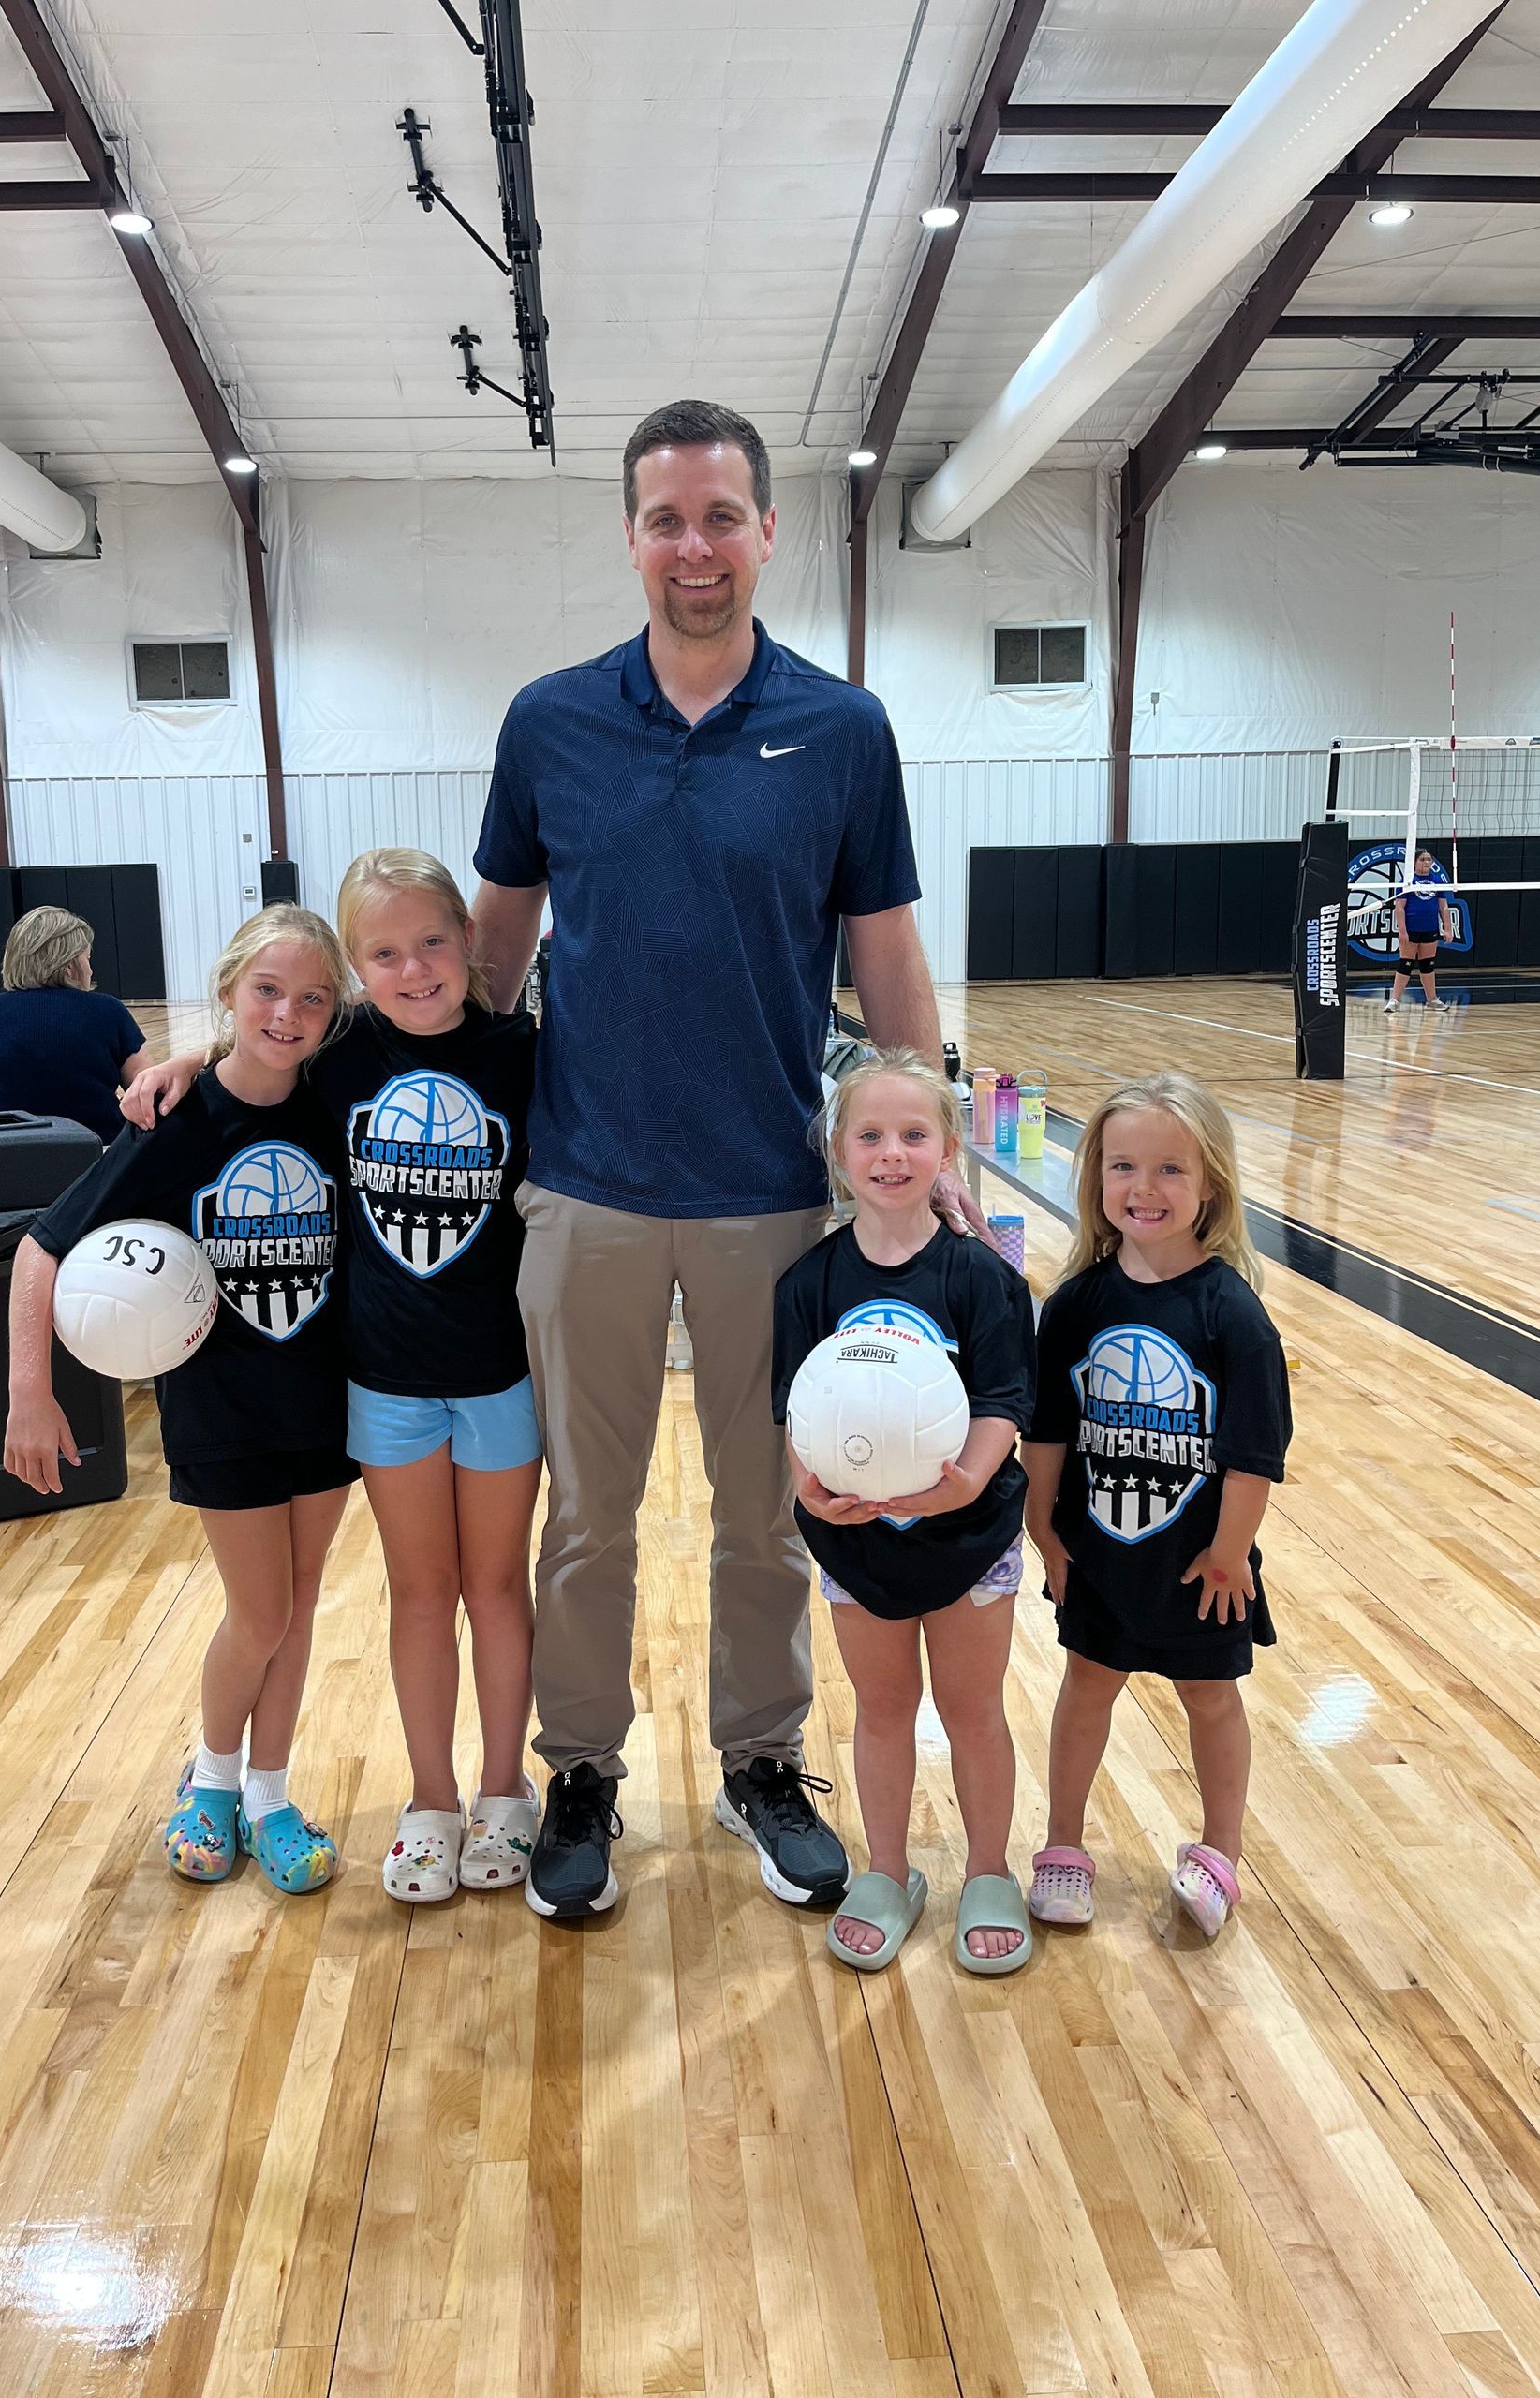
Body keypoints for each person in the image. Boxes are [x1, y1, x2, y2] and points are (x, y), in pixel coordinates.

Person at [464, 397, 975, 1918]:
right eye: (668, 519)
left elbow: (886, 954)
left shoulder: (844, 730)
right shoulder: (549, 723)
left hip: (774, 1197)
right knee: (585, 1520)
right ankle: (581, 1771)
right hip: (586, 1192)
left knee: (772, 1511)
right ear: (632, 537)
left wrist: (931, 1133)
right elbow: (485, 967)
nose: (696, 546)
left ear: (767, 531)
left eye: (722, 516)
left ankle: (762, 1760)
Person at [123, 851, 544, 1908]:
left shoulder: (523, 1052)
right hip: (386, 1384)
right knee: (420, 1591)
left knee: (496, 1588)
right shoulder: (343, 1052)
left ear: (469, 939)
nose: (415, 968)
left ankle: (505, 1788)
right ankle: (433, 1799)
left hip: (501, 1375)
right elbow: (264, 1044)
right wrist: (192, 1055)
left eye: (433, 942)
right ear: (358, 968)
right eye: (385, 953)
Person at [6, 906, 356, 1895]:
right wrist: (30, 1390)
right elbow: (42, 1247)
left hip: (327, 1405)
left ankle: (270, 1796)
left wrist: (197, 1050)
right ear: (229, 990)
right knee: (260, 1612)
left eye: (312, 998)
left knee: (298, 1610)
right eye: (267, 991)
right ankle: (211, 1780)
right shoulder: (172, 1121)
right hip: (220, 1411)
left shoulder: (337, 1101)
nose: (286, 1014)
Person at [774, 1053, 1036, 1975]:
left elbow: (1004, 1399)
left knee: (973, 1710)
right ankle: (887, 1871)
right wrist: (808, 1485)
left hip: (970, 1537)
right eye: (870, 1136)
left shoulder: (983, 1277)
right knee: (882, 1712)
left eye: (914, 1134)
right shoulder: (807, 1283)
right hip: (859, 1542)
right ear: (839, 1155)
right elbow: (797, 1408)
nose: (892, 1153)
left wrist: (966, 1481)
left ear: (948, 1150)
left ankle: (989, 1872)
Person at [1022, 1071, 1292, 1944]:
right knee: (1086, 1687)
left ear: (1211, 1183)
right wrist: (1042, 1528)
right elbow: (1048, 1434)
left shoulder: (1233, 1315)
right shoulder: (1075, 1305)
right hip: (1100, 1552)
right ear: (1096, 1176)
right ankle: (1064, 1844)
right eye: (1123, 1166)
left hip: (1198, 1563)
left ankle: (1221, 1853)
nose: (1145, 1188)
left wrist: (1230, 1554)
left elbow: (1252, 1458)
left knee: (1210, 1698)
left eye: (1171, 1169)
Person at [0, 907, 148, 1143]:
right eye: (87, 959)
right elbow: (146, 1090)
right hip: (98, 1150)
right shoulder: (107, 1009)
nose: (91, 969)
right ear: (70, 966)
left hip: (7, 1150)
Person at [1385, 846, 1455, 1014]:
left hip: (1430, 928)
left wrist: (1448, 928)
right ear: (1415, 862)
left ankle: (1432, 1000)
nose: (1426, 862)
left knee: (1427, 965)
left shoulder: (1437, 880)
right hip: (1411, 929)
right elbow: (1399, 907)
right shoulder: (1407, 881)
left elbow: (1443, 907)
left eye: (1429, 859)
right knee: (1406, 964)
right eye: (1422, 859)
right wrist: (1402, 931)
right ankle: (1394, 1001)